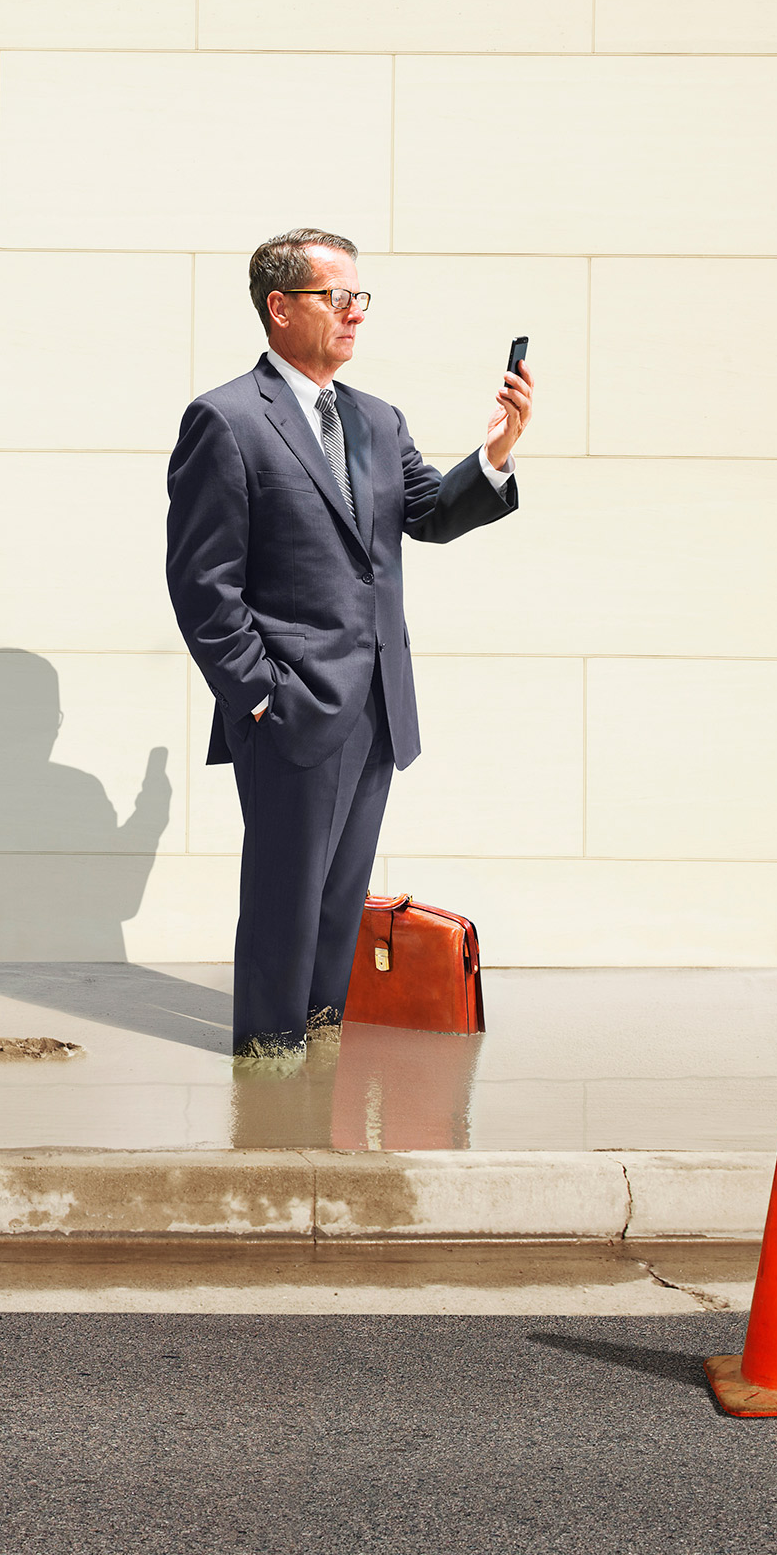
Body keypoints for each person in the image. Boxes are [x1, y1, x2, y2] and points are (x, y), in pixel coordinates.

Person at [164, 229, 532, 1063]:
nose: (354, 314)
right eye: (338, 297)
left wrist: (496, 454)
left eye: (360, 297)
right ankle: (268, 1059)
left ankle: (319, 1050)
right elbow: (201, 585)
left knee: (338, 903)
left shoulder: (373, 417)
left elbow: (430, 513)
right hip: (291, 705)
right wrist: (259, 694)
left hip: (375, 706)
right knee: (283, 903)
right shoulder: (224, 421)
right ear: (281, 307)